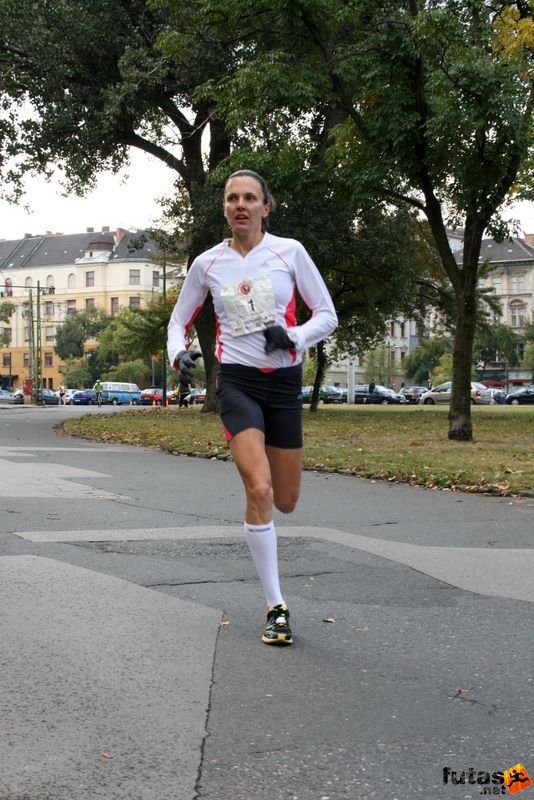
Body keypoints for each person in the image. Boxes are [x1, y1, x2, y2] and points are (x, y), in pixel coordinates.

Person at [167, 169, 338, 646]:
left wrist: (296, 336)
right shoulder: (207, 264)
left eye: (250, 198)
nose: (240, 205)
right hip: (237, 382)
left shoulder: (290, 253)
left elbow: (327, 314)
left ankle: (264, 525)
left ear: (267, 206)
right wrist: (178, 353)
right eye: (232, 198)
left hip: (283, 384)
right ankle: (276, 605)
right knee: (259, 487)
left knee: (284, 499)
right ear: (224, 207)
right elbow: (179, 321)